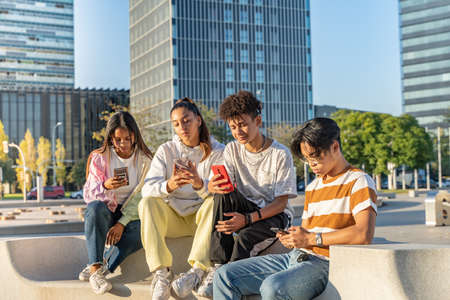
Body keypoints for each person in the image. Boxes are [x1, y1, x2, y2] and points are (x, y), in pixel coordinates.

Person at [213, 117, 377, 300]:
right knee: (224, 275)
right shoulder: (314, 187)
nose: (311, 165)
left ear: (335, 147)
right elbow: (306, 233)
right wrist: (294, 238)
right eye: (307, 159)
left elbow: (363, 234)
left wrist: (312, 238)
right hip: (295, 257)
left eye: (314, 157)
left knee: (273, 287)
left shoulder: (358, 180)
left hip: (325, 264)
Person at [204, 90, 297, 296]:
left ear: (258, 121)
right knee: (221, 192)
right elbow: (226, 190)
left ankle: (231, 275)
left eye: (243, 124)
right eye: (233, 127)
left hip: (274, 215)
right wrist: (212, 186)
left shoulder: (280, 154)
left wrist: (246, 219)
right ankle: (218, 265)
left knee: (245, 237)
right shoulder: (232, 150)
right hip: (245, 206)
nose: (239, 132)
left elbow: (281, 203)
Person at [138, 98, 225, 300]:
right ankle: (162, 273)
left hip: (202, 221)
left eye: (186, 121)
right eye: (176, 124)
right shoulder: (166, 150)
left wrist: (199, 184)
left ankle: (196, 272)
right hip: (173, 219)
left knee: (215, 202)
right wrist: (169, 185)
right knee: (148, 203)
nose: (182, 127)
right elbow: (147, 190)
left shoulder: (218, 151)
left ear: (198, 120)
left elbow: (220, 192)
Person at [79, 111, 153, 294]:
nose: (124, 144)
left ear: (135, 135)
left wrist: (122, 223)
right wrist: (105, 185)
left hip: (132, 214)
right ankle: (95, 269)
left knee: (143, 229)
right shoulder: (100, 157)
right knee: (94, 209)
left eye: (128, 138)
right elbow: (88, 194)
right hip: (106, 211)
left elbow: (145, 195)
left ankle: (100, 269)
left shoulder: (146, 160)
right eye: (118, 139)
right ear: (111, 137)